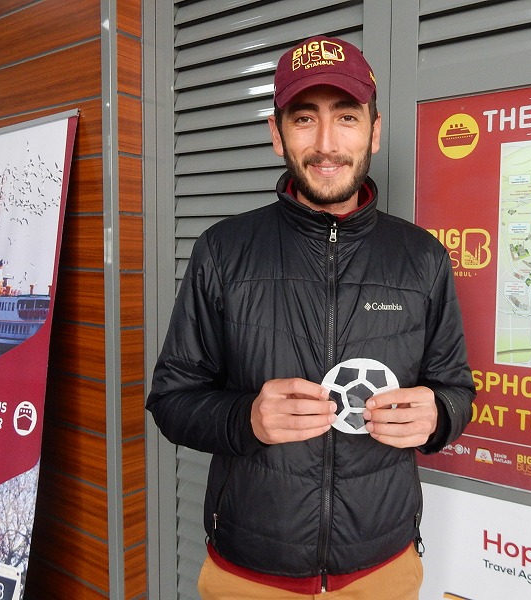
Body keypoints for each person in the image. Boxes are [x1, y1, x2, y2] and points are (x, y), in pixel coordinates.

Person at [147, 35, 475, 600]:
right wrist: (246, 417)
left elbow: (456, 390)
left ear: (374, 130)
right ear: (277, 134)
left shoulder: (422, 257)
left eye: (346, 117)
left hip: (382, 568)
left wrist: (440, 414)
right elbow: (172, 401)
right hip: (248, 574)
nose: (326, 144)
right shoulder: (222, 251)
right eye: (304, 119)